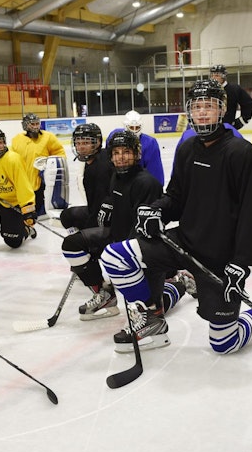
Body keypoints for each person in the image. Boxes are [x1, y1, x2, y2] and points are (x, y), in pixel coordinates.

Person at [99, 78, 252, 355]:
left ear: (222, 110)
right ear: (190, 112)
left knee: (224, 344)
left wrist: (241, 262)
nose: (203, 112)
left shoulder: (241, 152)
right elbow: (176, 197)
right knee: (116, 257)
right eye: (197, 107)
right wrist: (157, 210)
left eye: (209, 106)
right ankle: (152, 318)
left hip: (221, 258)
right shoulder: (187, 149)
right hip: (184, 242)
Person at [61, 130, 173, 321]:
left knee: (149, 308)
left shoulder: (147, 183)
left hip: (140, 247)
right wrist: (108, 204)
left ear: (137, 154)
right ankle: (105, 295)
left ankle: (179, 285)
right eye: (116, 153)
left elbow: (143, 230)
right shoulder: (117, 176)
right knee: (72, 244)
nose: (121, 157)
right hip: (117, 236)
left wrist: (116, 253)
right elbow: (114, 198)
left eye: (126, 152)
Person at [11, 113, 67, 219]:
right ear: (25, 125)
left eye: (37, 124)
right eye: (32, 124)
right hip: (23, 176)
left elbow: (59, 152)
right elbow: (12, 157)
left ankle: (41, 209)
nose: (36, 127)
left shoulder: (48, 137)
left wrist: (50, 164)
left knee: (39, 197)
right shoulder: (17, 139)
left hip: (41, 176)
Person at [59, 124, 114, 231]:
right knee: (67, 215)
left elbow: (99, 208)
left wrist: (87, 235)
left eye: (86, 143)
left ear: (98, 142)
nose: (81, 147)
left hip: (110, 217)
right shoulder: (99, 158)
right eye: (78, 143)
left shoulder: (100, 168)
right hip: (102, 210)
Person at [105, 111, 165, 185]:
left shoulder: (150, 143)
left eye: (137, 127)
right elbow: (107, 161)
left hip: (138, 184)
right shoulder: (114, 137)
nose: (134, 131)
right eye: (131, 127)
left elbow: (155, 172)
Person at [210, 64, 252, 129]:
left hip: (227, 128)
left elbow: (248, 103)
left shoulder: (234, 89)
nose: (213, 78)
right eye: (212, 75)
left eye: (217, 75)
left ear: (224, 76)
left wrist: (241, 121)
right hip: (210, 127)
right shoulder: (209, 90)